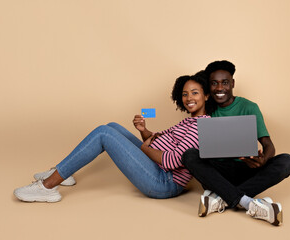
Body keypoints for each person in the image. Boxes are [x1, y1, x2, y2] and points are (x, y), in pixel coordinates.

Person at [13, 72, 214, 202]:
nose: (189, 98)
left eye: (195, 93)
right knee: (113, 126)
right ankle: (64, 170)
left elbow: (171, 161)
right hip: (156, 168)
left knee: (103, 133)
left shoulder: (200, 126)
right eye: (185, 94)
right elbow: (163, 142)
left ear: (206, 96)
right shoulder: (189, 121)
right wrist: (144, 131)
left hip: (164, 181)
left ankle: (48, 186)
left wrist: (144, 148)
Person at [181, 60, 290, 226]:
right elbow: (187, 133)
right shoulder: (206, 108)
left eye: (225, 83)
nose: (219, 88)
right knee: (189, 155)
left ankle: (222, 198)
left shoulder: (249, 107)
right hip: (217, 172)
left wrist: (263, 160)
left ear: (233, 83)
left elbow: (268, 145)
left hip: (246, 169)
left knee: (288, 161)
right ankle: (247, 202)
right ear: (209, 86)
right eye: (214, 83)